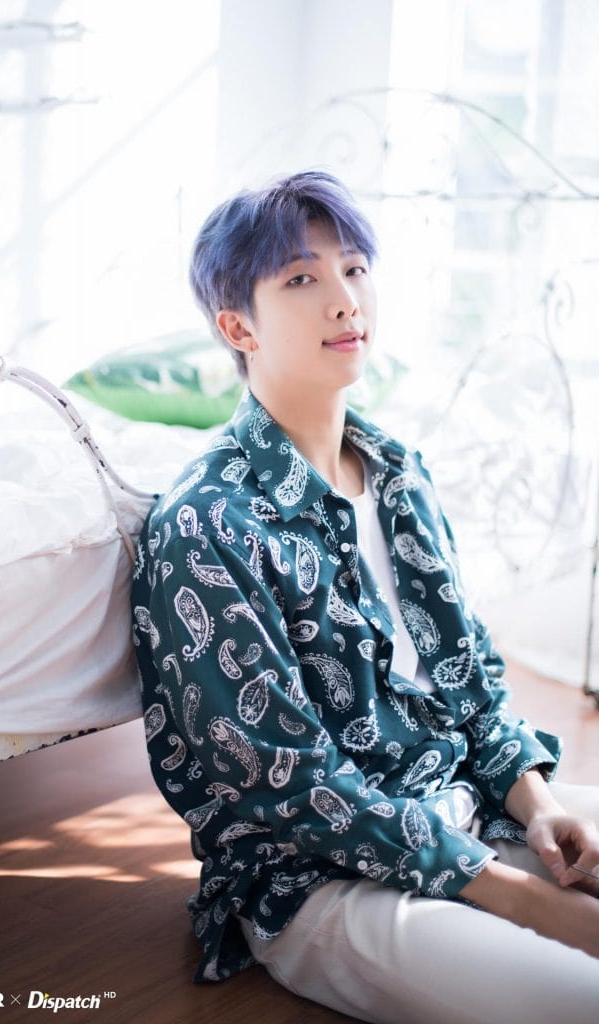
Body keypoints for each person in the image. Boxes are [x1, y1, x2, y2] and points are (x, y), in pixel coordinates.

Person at [130, 170, 599, 1024]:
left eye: (353, 268)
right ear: (237, 326)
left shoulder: (397, 473)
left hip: (468, 801)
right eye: (300, 279)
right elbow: (292, 786)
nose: (344, 299)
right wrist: (542, 910)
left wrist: (536, 806)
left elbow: (466, 674)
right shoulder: (208, 524)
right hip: (325, 879)